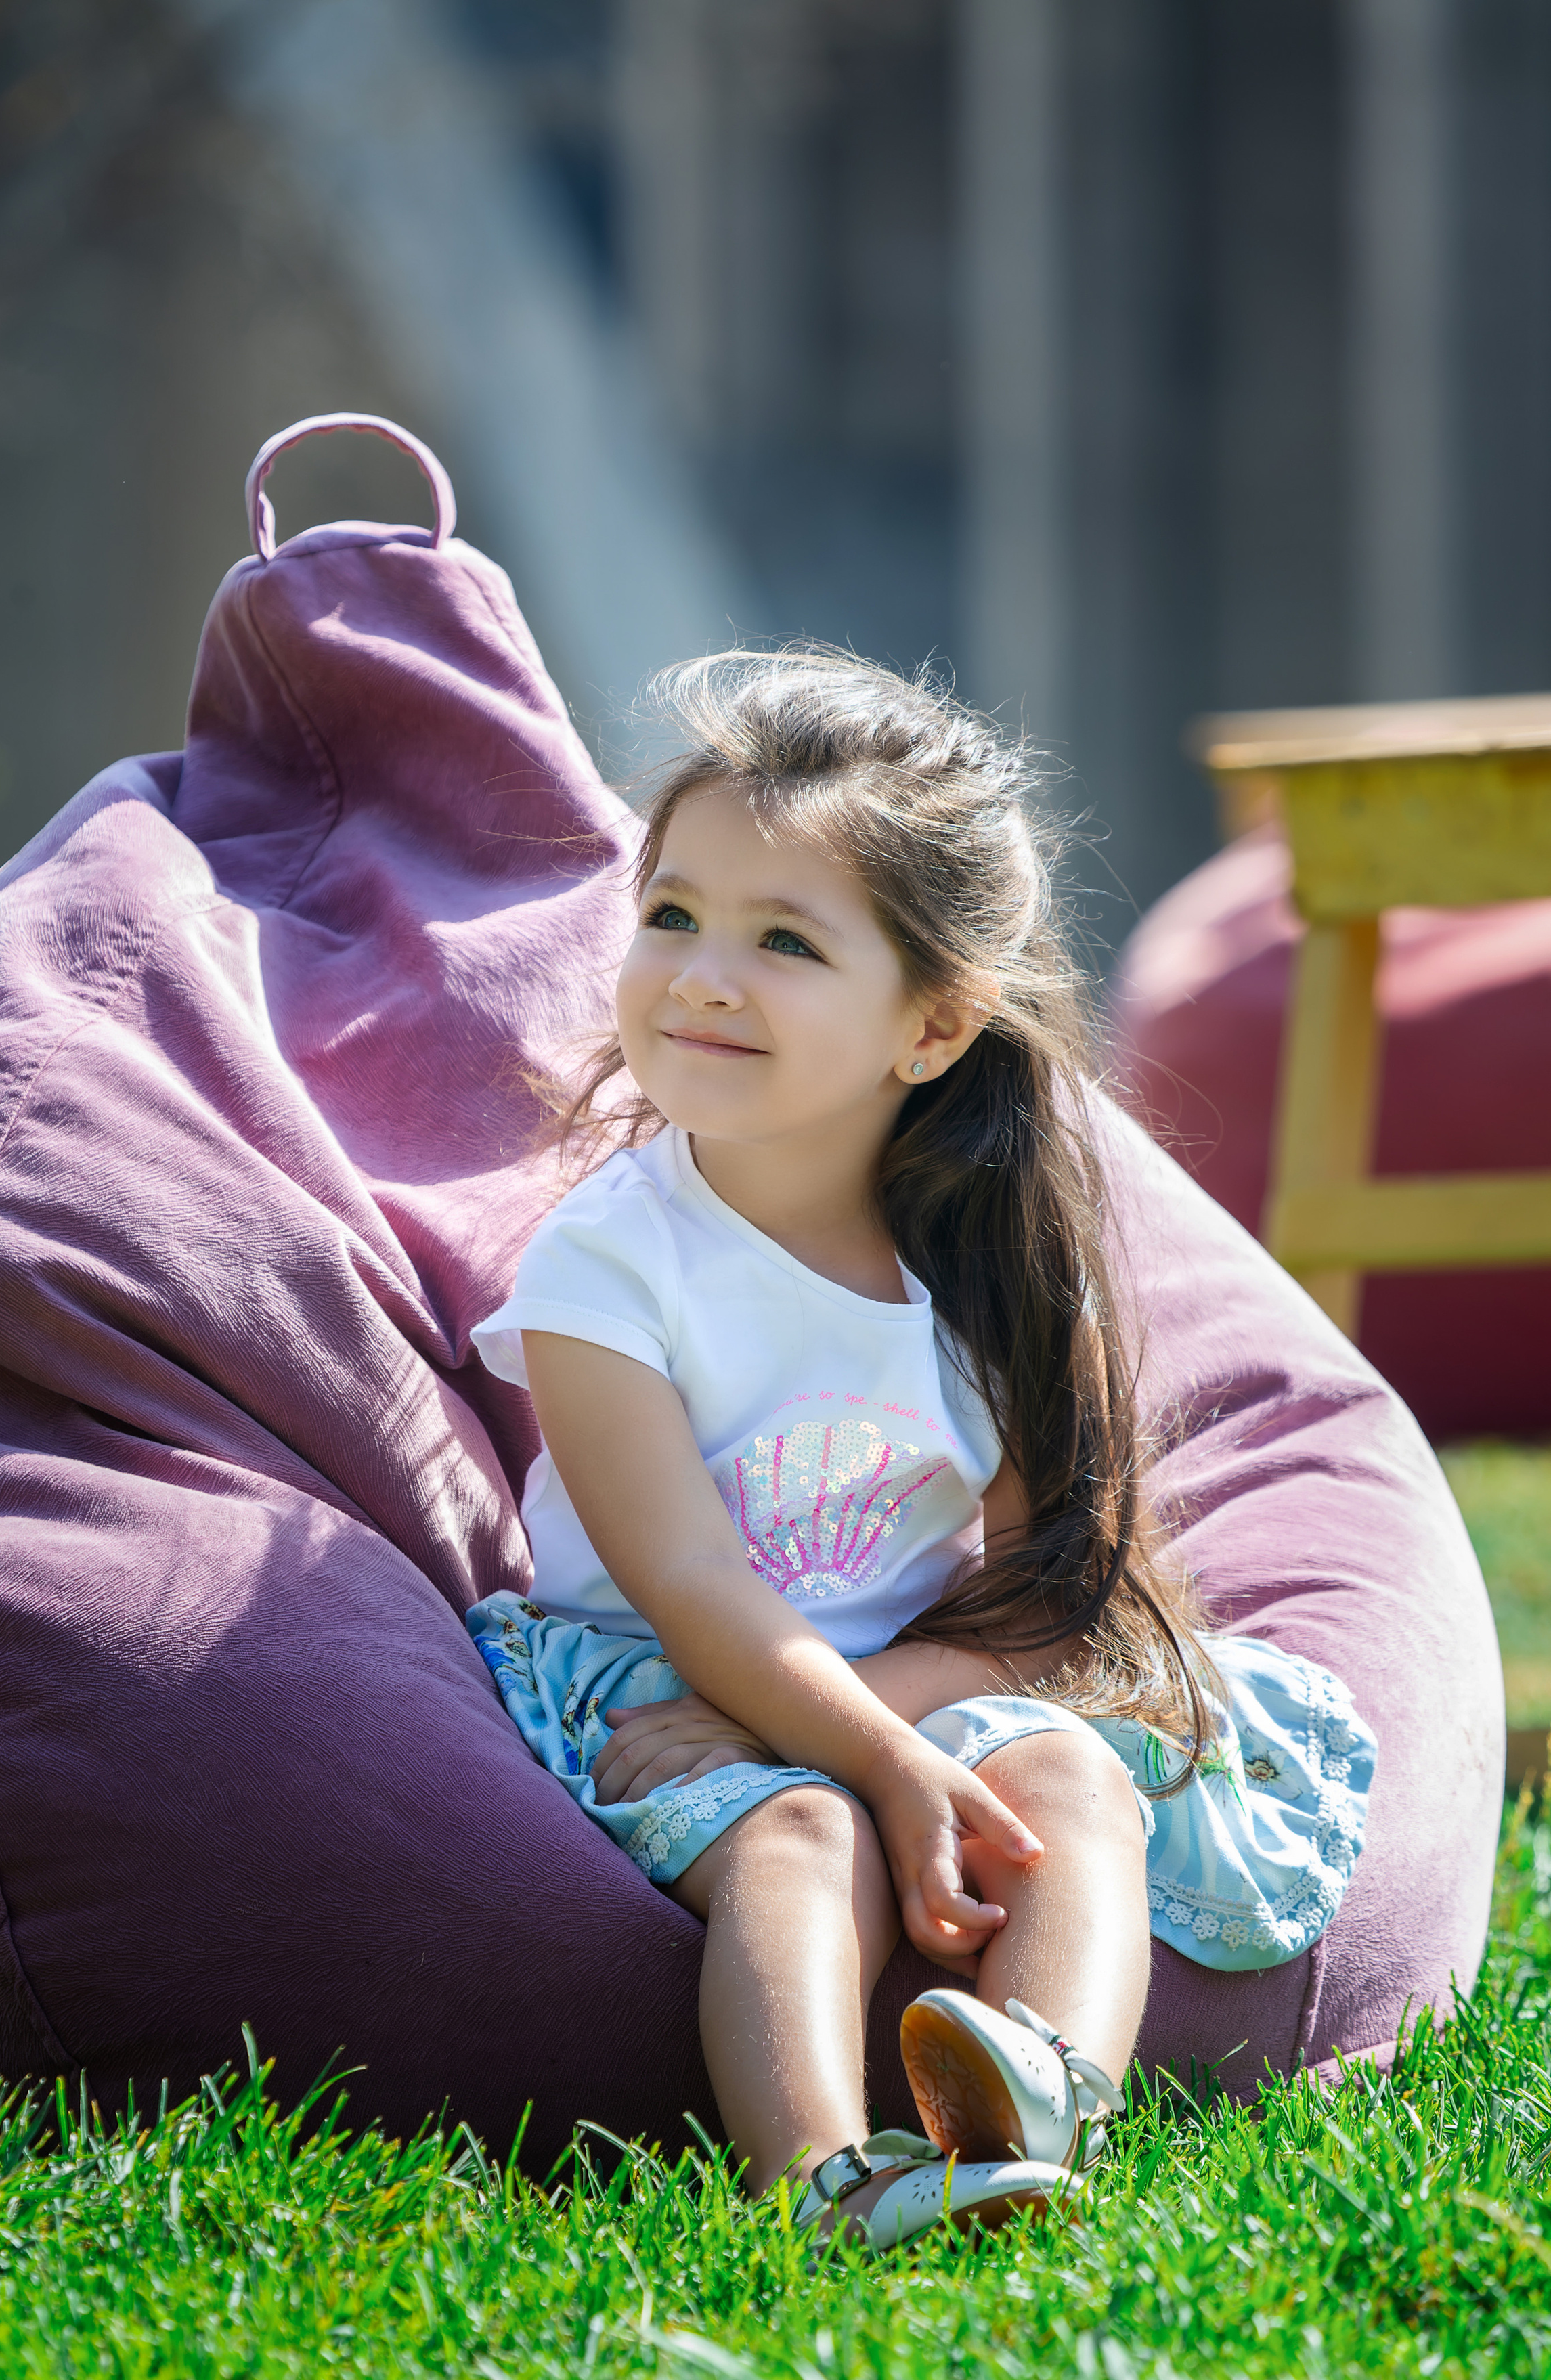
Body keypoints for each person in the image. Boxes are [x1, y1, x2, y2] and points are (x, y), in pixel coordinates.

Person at [466, 650, 1376, 2249]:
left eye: (784, 940)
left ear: (934, 1028)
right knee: (794, 1830)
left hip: (919, 1664)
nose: (697, 975)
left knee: (1072, 1780)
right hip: (653, 1689)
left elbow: (1045, 1587)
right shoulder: (607, 1267)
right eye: (670, 913)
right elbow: (682, 1582)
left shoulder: (1000, 1267)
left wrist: (904, 1735)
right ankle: (821, 2186)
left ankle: (1030, 2116)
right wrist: (872, 1773)